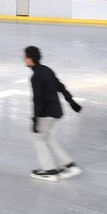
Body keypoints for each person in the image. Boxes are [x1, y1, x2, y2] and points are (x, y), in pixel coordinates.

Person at [24, 46, 82, 181]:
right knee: (47, 137)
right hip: (56, 111)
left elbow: (37, 99)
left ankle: (49, 170)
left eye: (25, 57)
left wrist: (35, 119)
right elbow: (60, 86)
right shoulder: (47, 70)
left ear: (30, 59)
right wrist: (71, 102)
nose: (24, 59)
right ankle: (69, 164)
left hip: (46, 113)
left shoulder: (36, 76)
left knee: (38, 138)